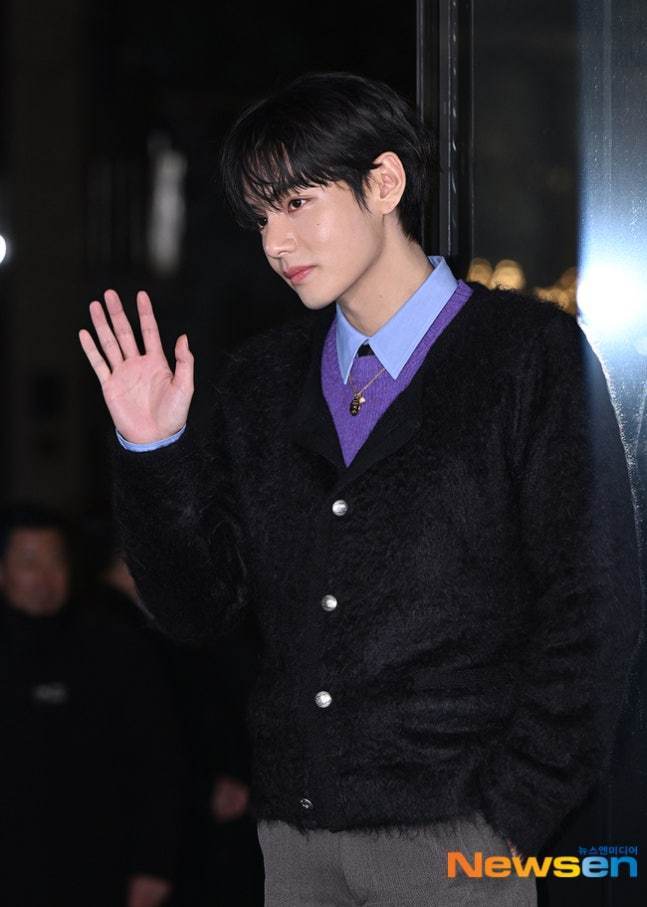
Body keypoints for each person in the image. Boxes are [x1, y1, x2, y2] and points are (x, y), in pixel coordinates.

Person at [78, 71, 643, 906]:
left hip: (461, 839)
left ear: (383, 183)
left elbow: (593, 600)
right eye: (260, 217)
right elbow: (197, 612)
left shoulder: (527, 355)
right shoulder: (263, 381)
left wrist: (511, 816)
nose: (275, 242)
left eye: (296, 203)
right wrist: (153, 447)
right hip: (295, 845)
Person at [0, 504, 184, 907]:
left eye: (55, 561)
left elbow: (156, 761)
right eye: (29, 562)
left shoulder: (116, 649)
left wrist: (154, 863)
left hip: (96, 865)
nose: (44, 577)